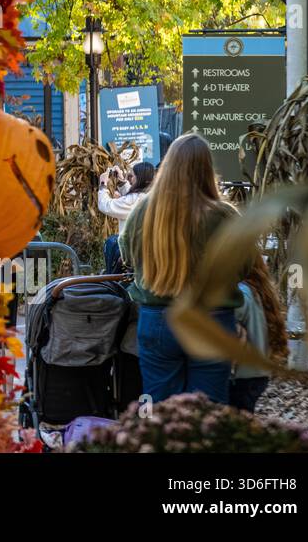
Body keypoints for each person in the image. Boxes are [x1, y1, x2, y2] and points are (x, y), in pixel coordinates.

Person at [119, 134, 241, 403]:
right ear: (208, 169)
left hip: (158, 320)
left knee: (160, 410)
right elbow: (243, 267)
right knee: (208, 413)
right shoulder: (224, 215)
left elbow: (127, 253)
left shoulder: (143, 212)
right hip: (212, 319)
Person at [230, 254, 287, 412]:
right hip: (258, 374)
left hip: (242, 377)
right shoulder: (258, 290)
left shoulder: (240, 294)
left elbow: (225, 323)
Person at [98, 161, 155, 273]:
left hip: (134, 257)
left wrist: (103, 184)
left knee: (112, 243)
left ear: (139, 179)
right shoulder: (152, 196)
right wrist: (122, 182)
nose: (130, 179)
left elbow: (106, 206)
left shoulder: (134, 200)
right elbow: (132, 197)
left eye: (132, 176)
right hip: (148, 253)